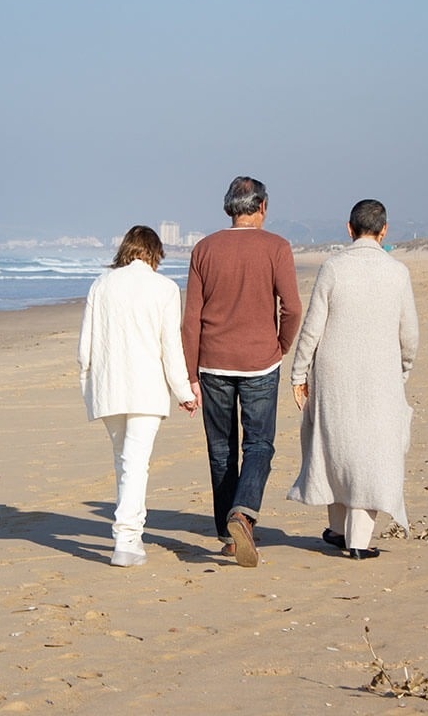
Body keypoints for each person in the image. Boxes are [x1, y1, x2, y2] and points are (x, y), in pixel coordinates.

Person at [286, 199, 419, 559]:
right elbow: (410, 334)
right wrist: (402, 369)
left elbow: (312, 328)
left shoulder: (334, 267)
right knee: (374, 451)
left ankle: (340, 529)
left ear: (349, 228)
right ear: (384, 230)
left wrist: (299, 374)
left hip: (333, 372)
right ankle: (355, 538)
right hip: (381, 372)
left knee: (335, 444)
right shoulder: (397, 272)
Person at [182, 177, 303, 567]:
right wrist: (281, 345)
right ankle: (242, 513)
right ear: (262, 206)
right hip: (259, 361)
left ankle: (229, 534)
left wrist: (190, 373)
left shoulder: (204, 248)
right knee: (259, 445)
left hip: (213, 360)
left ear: (228, 208)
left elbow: (191, 319)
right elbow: (293, 308)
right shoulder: (277, 247)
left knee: (221, 449)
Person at [78, 225, 198, 567]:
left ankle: (131, 534)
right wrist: (183, 389)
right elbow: (170, 347)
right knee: (134, 464)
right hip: (145, 390)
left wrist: (88, 389)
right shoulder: (164, 288)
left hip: (108, 388)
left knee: (124, 462)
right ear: (154, 253)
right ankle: (126, 540)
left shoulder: (101, 285)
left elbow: (85, 346)